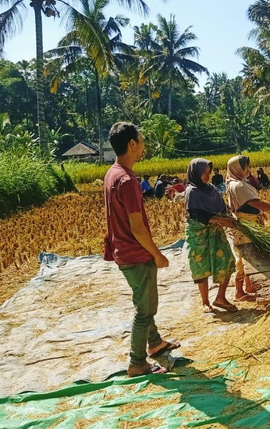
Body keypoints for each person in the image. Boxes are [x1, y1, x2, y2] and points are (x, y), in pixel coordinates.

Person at [103, 122, 177, 377]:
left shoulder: (112, 173)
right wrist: (157, 254)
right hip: (135, 253)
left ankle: (155, 342)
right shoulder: (127, 180)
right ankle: (137, 363)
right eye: (142, 141)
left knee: (143, 301)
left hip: (122, 251)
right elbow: (137, 227)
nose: (144, 146)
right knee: (145, 310)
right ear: (132, 144)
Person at [226, 155, 270, 301]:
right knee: (245, 256)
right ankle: (238, 292)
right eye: (245, 166)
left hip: (249, 224)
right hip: (246, 227)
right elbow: (255, 203)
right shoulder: (238, 185)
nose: (249, 169)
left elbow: (249, 204)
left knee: (248, 255)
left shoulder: (236, 183)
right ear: (237, 169)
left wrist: (260, 213)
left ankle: (248, 286)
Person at [183, 159, 238, 312]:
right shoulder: (191, 191)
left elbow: (222, 206)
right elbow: (198, 214)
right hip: (199, 234)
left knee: (227, 260)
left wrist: (230, 218)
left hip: (216, 231)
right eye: (203, 173)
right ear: (195, 173)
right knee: (201, 266)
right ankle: (205, 302)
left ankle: (220, 297)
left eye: (208, 173)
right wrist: (220, 220)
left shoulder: (211, 189)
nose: (207, 176)